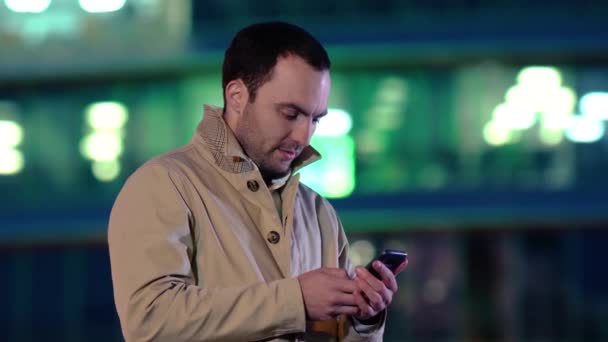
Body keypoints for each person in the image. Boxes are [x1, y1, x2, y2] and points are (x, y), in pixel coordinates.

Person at [108, 21, 407, 341]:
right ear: (237, 95)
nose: (304, 136)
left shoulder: (318, 212)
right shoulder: (162, 185)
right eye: (290, 114)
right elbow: (150, 321)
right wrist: (297, 301)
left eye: (315, 119)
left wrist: (364, 319)